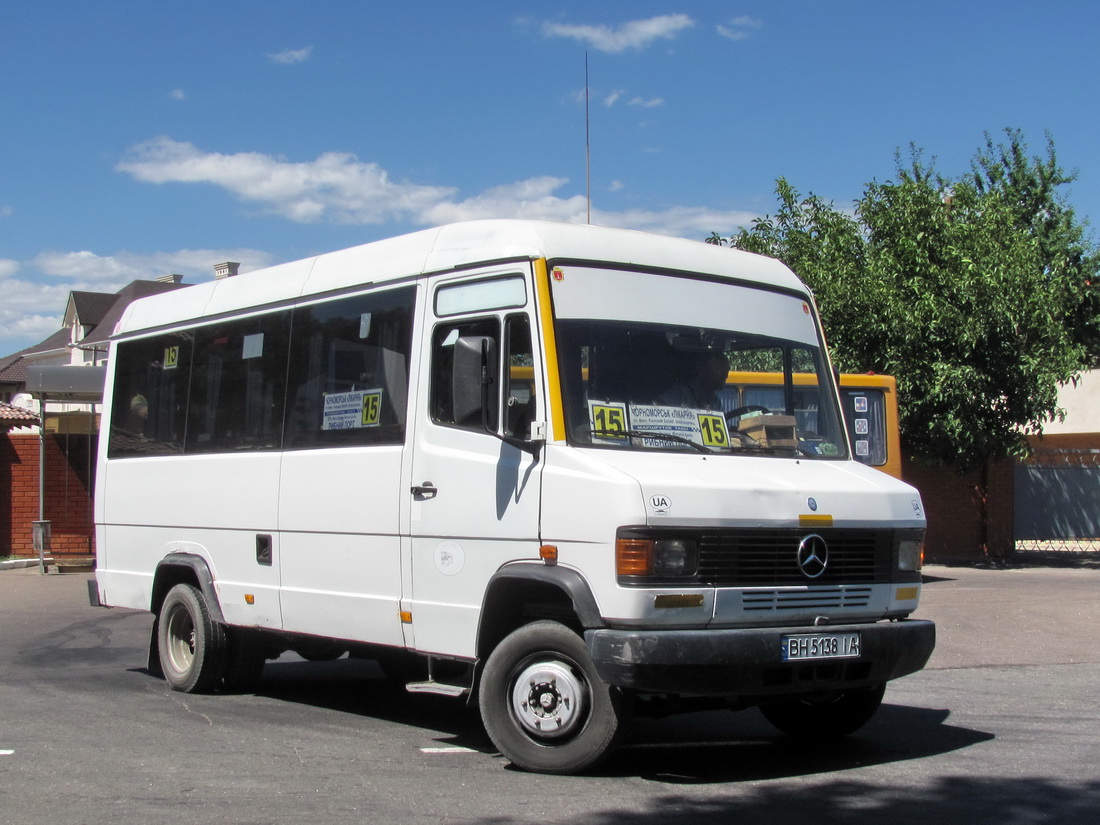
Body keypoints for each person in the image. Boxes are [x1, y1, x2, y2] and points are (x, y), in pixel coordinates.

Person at [655, 350, 730, 410]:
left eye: (726, 372)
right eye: (720, 372)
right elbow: (657, 408)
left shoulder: (715, 402)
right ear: (703, 370)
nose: (725, 375)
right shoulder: (680, 394)